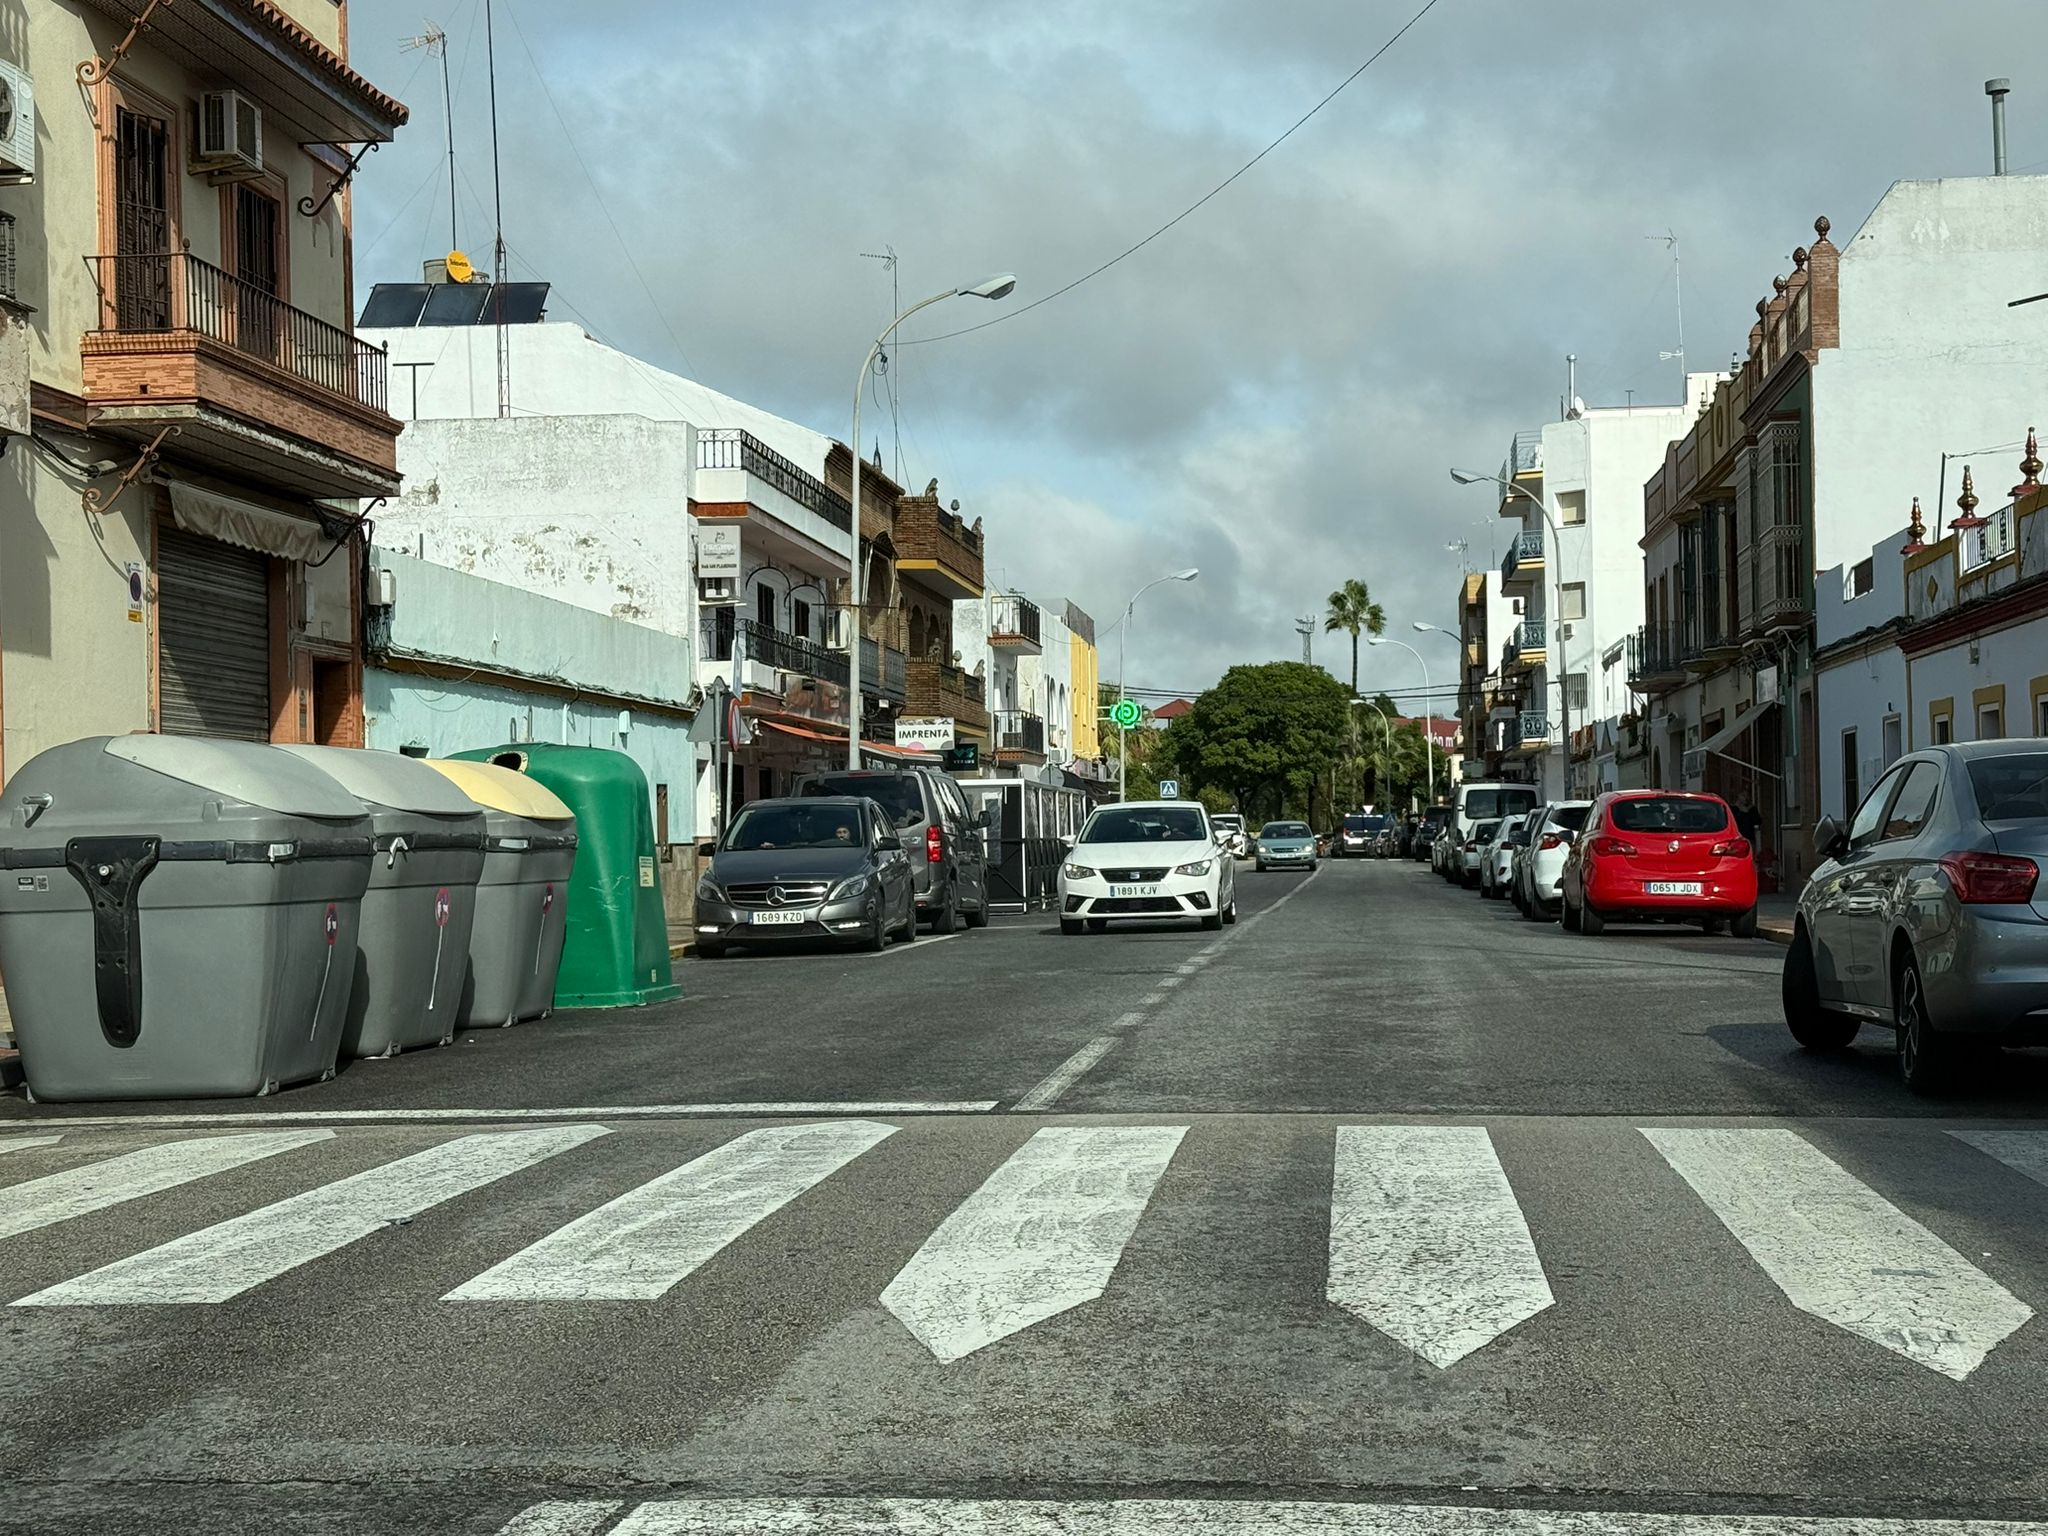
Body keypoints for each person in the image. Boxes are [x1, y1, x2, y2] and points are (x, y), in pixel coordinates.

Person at [1731, 788, 1762, 855]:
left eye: (1747, 796)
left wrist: (1750, 812)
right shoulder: (1733, 809)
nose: (1746, 798)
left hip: (1749, 838)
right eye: (1743, 795)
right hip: (1737, 838)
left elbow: (1758, 821)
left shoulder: (1752, 809)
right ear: (1738, 796)